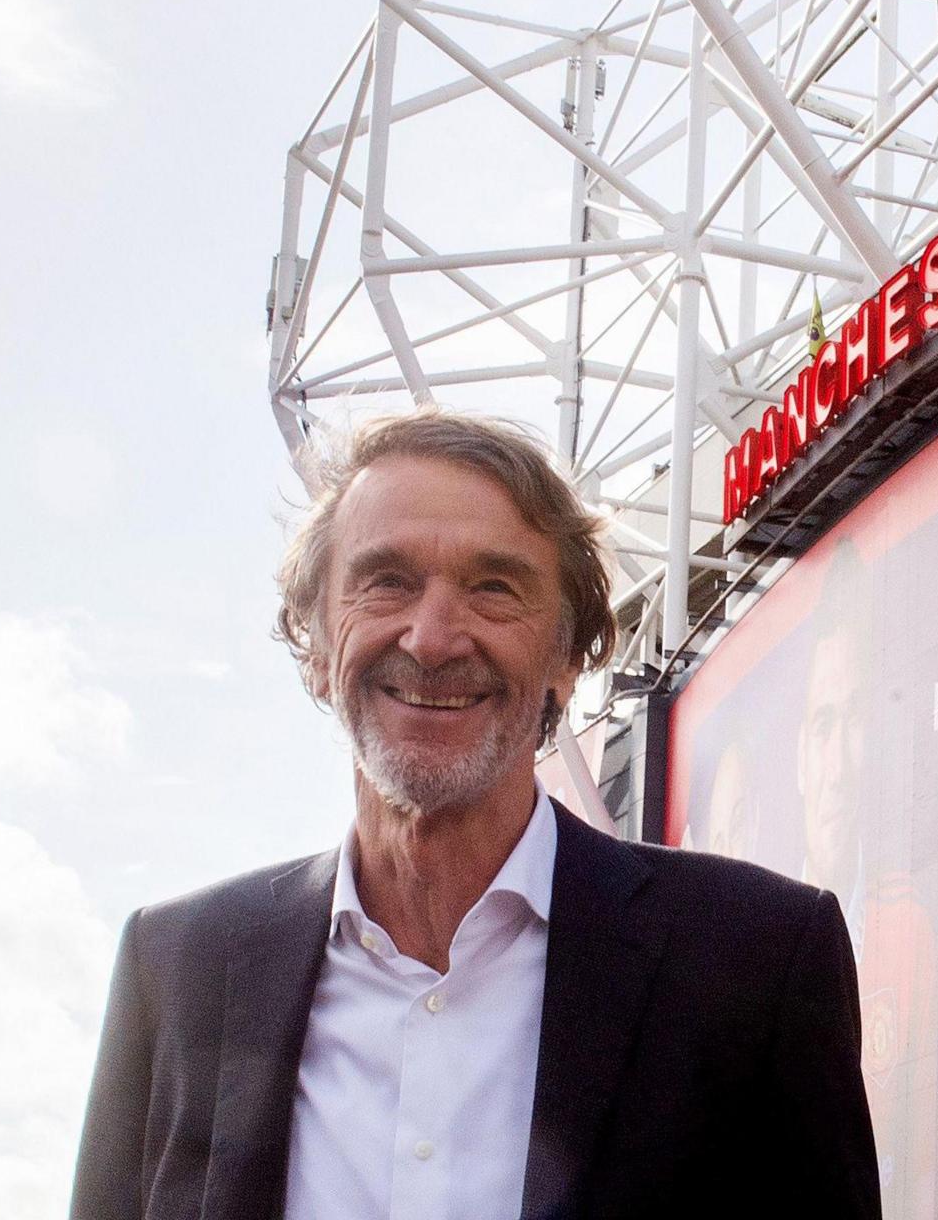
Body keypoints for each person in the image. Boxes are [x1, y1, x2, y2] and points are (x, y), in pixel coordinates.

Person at [70, 409, 881, 1219]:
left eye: (494, 588)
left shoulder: (756, 961)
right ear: (316, 644)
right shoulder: (175, 971)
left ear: (569, 656)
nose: (431, 639)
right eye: (386, 580)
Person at [795, 542, 938, 1220]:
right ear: (798, 750)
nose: (840, 763)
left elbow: (920, 1174)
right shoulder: (743, 943)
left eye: (856, 721)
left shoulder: (906, 930)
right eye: (824, 725)